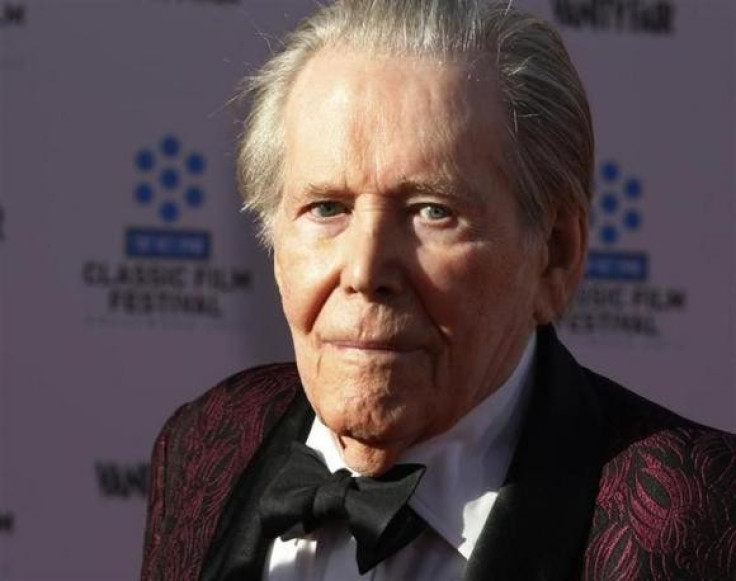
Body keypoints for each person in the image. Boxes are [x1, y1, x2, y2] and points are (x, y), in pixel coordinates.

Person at [140, 1, 736, 579]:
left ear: (555, 255)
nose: (365, 269)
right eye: (326, 208)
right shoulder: (206, 443)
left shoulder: (691, 514)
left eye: (432, 211)